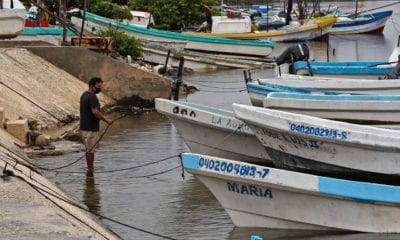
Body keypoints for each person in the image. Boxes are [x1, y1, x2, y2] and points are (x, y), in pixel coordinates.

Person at [80, 77, 113, 173]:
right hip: (90, 128)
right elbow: (95, 112)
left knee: (89, 149)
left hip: (84, 127)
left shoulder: (84, 95)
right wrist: (107, 120)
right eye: (98, 86)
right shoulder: (92, 97)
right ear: (92, 86)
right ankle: (90, 170)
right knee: (90, 151)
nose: (99, 88)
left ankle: (90, 169)